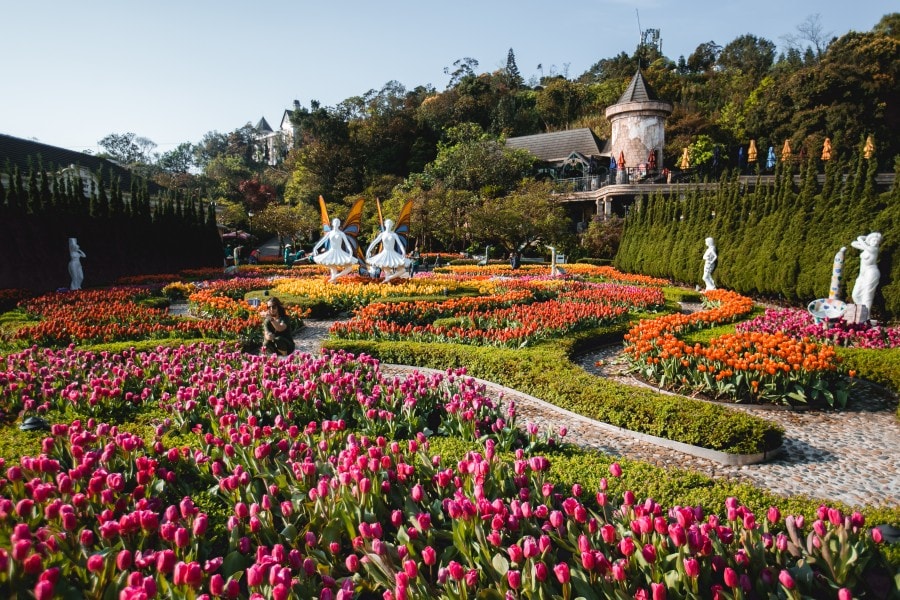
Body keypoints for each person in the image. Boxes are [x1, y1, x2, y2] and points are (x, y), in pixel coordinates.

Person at [851, 232, 882, 311]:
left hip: (871, 272)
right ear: (870, 241)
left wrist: (860, 238)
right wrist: (866, 238)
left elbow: (862, 243)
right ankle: (861, 313)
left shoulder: (874, 249)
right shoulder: (867, 248)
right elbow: (853, 243)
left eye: (877, 241)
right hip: (862, 275)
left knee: (867, 295)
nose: (875, 243)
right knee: (855, 295)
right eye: (873, 240)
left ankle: (866, 317)